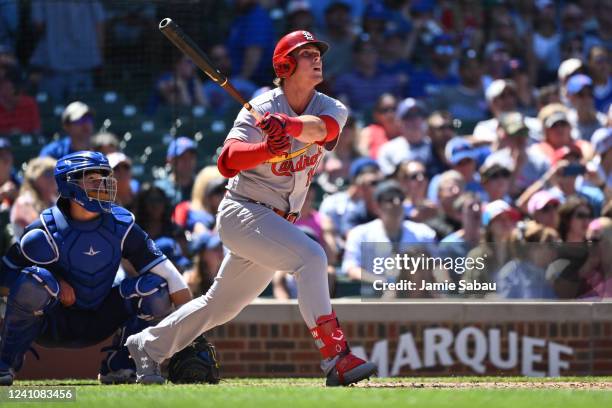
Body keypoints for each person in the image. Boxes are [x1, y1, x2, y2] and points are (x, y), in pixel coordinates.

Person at [125, 30, 377, 386]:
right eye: (306, 54)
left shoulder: (330, 106)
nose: (316, 58)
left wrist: (286, 126)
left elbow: (323, 129)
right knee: (312, 257)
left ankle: (146, 346)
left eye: (316, 52)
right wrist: (266, 149)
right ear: (285, 64)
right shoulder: (260, 109)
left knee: (221, 306)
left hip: (276, 224)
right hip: (243, 211)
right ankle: (336, 357)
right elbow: (227, 162)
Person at [0, 151, 191, 386]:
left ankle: (121, 366)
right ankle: (4, 362)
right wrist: (57, 284)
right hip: (53, 321)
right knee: (34, 281)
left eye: (104, 177)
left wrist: (194, 333)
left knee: (155, 289)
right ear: (69, 185)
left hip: (101, 315)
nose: (103, 184)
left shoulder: (121, 224)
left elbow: (168, 273)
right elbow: (5, 276)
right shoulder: (44, 230)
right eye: (92, 179)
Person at [9, 157, 57, 240]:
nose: (53, 178)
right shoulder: (24, 202)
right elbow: (35, 232)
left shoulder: (54, 200)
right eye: (48, 173)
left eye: (55, 173)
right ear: (34, 178)